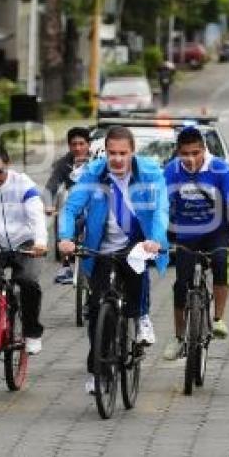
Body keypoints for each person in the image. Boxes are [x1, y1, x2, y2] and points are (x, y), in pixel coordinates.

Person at [58, 125, 168, 394]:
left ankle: (141, 316)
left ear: (133, 152)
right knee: (96, 311)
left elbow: (160, 210)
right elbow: (71, 208)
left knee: (135, 271)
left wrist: (154, 239)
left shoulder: (151, 173)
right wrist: (65, 238)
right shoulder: (94, 173)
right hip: (102, 247)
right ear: (104, 153)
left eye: (123, 153)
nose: (117, 159)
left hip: (137, 243)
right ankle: (98, 373)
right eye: (111, 153)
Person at [162, 127, 229, 360]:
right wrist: (155, 237)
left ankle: (218, 318)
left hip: (217, 231)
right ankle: (179, 337)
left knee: (221, 261)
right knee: (181, 284)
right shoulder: (172, 170)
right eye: (185, 154)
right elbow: (161, 205)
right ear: (178, 153)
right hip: (186, 231)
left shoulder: (220, 169)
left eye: (195, 153)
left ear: (204, 150)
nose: (190, 159)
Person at [0, 147, 47, 355]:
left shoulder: (23, 184)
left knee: (28, 281)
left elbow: (37, 215)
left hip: (26, 243)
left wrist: (40, 242)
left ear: (8, 166)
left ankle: (32, 332)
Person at [46, 127, 92, 285]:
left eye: (81, 144)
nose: (78, 148)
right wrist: (47, 204)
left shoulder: (97, 161)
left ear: (88, 144)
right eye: (74, 144)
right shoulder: (63, 164)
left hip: (94, 201)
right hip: (72, 202)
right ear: (69, 145)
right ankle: (65, 265)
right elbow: (51, 186)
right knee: (63, 205)